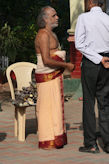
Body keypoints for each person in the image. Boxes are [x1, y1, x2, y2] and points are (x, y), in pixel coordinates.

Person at [35, 6, 74, 150]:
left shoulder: (51, 34)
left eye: (56, 15)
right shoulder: (43, 35)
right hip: (47, 77)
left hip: (54, 77)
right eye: (54, 15)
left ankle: (57, 137)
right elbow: (46, 60)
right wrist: (66, 65)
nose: (57, 17)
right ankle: (47, 140)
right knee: (46, 109)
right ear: (45, 18)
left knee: (55, 108)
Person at [75, 0, 109, 153]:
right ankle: (107, 144)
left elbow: (79, 44)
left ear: (90, 3)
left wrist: (97, 58)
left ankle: (91, 144)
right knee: (105, 103)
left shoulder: (83, 18)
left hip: (91, 63)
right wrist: (104, 58)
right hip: (107, 63)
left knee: (89, 103)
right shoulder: (108, 18)